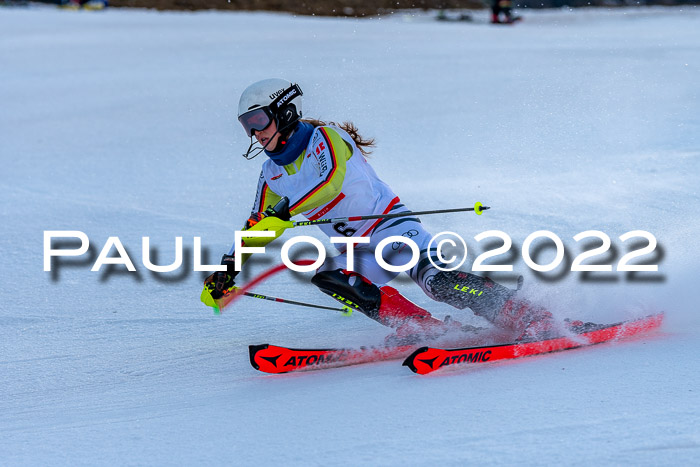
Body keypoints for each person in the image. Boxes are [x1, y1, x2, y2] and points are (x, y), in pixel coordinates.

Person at [201, 78, 553, 342]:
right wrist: (227, 272)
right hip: (356, 250)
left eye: (259, 120)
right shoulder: (271, 172)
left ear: (285, 111)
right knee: (332, 277)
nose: (255, 133)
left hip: (392, 230)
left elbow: (332, 182)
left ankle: (522, 312)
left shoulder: (326, 138)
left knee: (438, 282)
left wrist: (286, 214)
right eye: (248, 126)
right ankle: (419, 327)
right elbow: (255, 223)